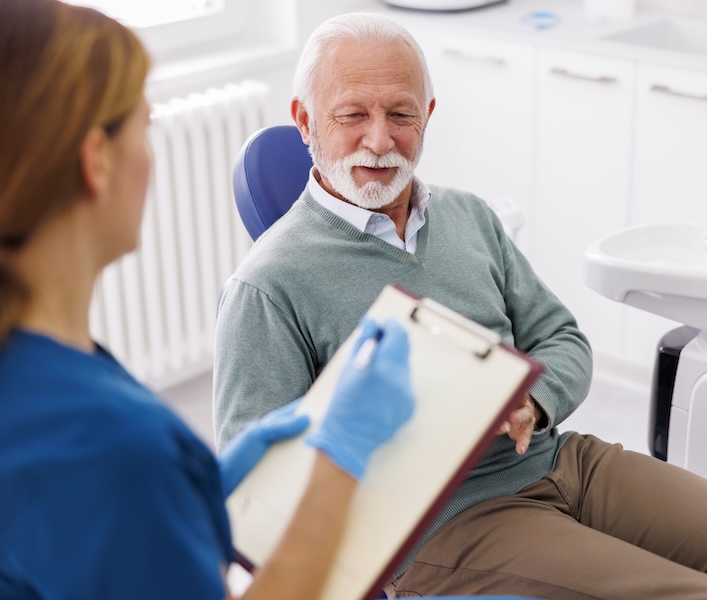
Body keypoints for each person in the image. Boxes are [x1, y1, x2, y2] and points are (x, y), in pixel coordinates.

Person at [212, 11, 707, 600]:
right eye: (353, 115)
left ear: (430, 117)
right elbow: (262, 503)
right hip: (447, 525)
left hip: (562, 460)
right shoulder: (268, 285)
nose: (380, 141)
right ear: (304, 120)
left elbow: (562, 337)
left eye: (401, 115)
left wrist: (533, 404)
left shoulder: (466, 217)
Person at [0, 2, 422, 599]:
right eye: (144, 128)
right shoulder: (106, 447)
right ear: (95, 160)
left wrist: (199, 485)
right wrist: (341, 456)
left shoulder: (38, 366)